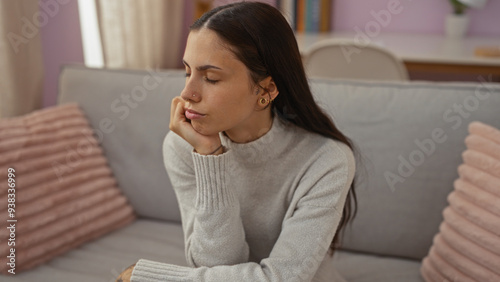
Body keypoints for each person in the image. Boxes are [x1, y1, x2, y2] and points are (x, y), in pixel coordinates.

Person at [118, 2, 357, 281]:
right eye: (187, 72)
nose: (187, 92)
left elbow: (280, 278)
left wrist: (150, 277)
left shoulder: (327, 161)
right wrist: (209, 155)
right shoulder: (182, 147)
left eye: (211, 78)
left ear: (266, 89)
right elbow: (214, 264)